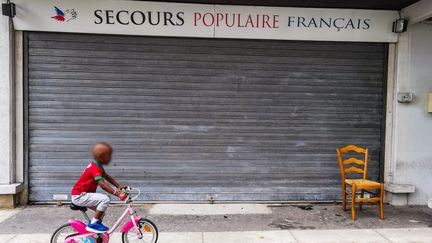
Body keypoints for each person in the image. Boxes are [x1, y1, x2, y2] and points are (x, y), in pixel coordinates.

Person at [71, 143, 127, 233]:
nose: (110, 158)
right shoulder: (94, 167)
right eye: (108, 156)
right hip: (79, 196)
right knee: (105, 199)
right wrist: (118, 194)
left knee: (101, 212)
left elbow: (107, 176)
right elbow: (103, 185)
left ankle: (96, 234)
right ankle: (93, 225)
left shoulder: (98, 166)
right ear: (101, 157)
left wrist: (118, 186)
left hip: (83, 195)